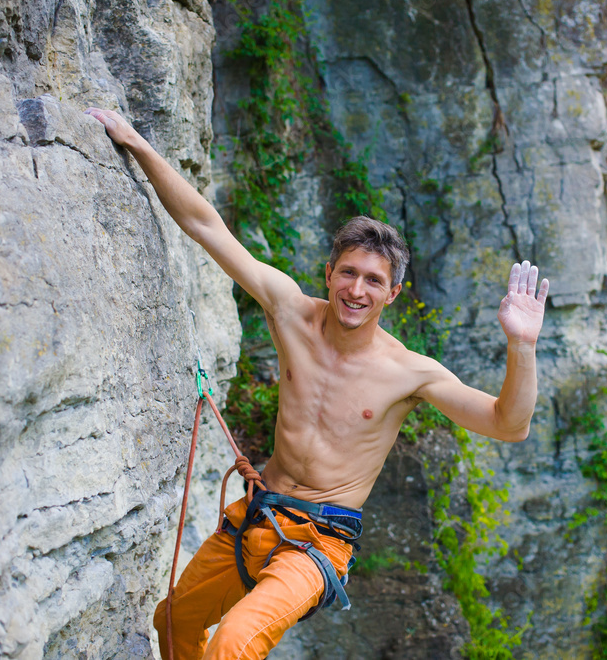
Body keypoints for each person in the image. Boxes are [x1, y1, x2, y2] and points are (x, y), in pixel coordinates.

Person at [84, 107, 550, 660]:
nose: (357, 289)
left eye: (374, 280)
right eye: (348, 272)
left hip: (319, 543)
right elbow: (206, 225)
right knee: (174, 623)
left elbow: (509, 424)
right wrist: (137, 143)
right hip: (255, 514)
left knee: (233, 642)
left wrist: (521, 346)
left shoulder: (409, 373)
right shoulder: (290, 312)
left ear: (392, 294)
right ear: (328, 273)